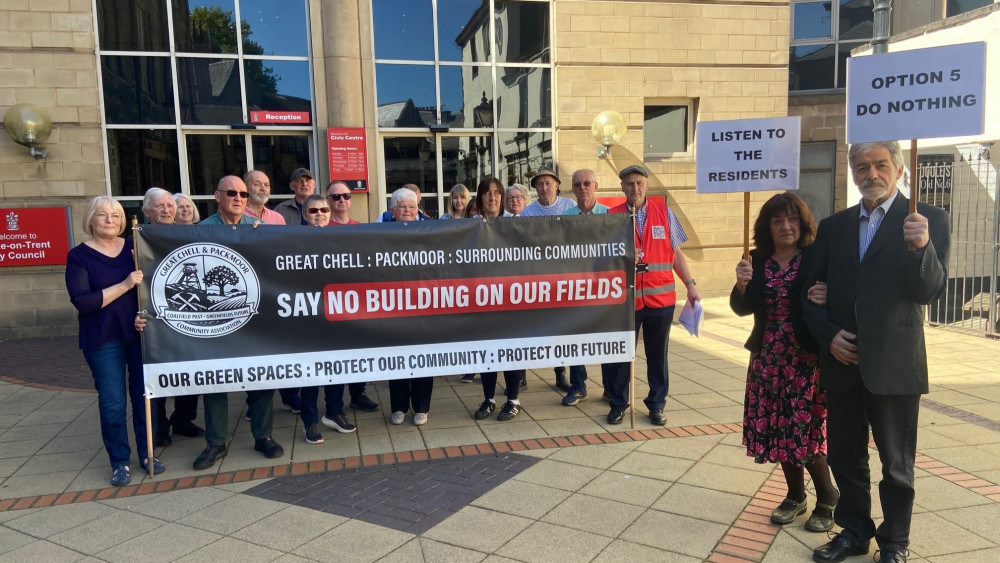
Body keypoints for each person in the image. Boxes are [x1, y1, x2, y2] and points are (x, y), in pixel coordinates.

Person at [804, 141, 950, 563]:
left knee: (896, 465)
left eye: (881, 165)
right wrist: (829, 335)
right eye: (862, 166)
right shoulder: (834, 227)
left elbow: (929, 292)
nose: (872, 174)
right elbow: (809, 295)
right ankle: (854, 531)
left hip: (895, 364)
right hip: (843, 361)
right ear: (853, 172)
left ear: (899, 170)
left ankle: (894, 542)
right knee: (845, 458)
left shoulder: (927, 219)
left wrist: (922, 249)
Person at [730, 193, 838, 534]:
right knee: (779, 430)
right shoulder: (756, 259)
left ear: (803, 223)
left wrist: (830, 295)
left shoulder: (815, 257)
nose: (786, 226)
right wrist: (741, 284)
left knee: (805, 431)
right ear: (767, 227)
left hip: (805, 359)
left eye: (792, 219)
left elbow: (835, 297)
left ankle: (827, 496)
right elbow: (742, 308)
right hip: (767, 359)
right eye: (777, 221)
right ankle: (795, 495)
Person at [66, 196, 163, 486]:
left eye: (116, 215)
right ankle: (120, 461)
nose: (110, 220)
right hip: (101, 337)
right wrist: (124, 284)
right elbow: (84, 301)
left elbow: (154, 286)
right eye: (103, 215)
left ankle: (147, 453)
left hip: (138, 333)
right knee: (113, 402)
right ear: (90, 220)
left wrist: (145, 314)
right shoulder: (79, 256)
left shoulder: (134, 247)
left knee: (145, 398)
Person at [188, 176, 282, 468]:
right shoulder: (201, 230)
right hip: (216, 320)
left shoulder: (259, 228)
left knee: (262, 378)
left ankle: (263, 436)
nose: (239, 198)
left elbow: (274, 264)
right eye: (231, 193)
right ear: (217, 196)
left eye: (243, 193)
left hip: (254, 315)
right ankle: (215, 443)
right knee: (215, 380)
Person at [604, 164, 700, 426]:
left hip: (661, 301)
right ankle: (618, 404)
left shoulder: (665, 213)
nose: (634, 188)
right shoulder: (612, 217)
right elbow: (602, 258)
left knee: (658, 357)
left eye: (639, 183)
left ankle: (657, 404)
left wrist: (690, 284)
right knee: (622, 356)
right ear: (622, 187)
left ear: (646, 185)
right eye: (629, 183)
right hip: (626, 301)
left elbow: (676, 253)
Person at [141, 188, 204, 449]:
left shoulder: (186, 235)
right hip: (155, 316)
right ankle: (159, 426)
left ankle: (183, 419)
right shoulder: (139, 237)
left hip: (187, 316)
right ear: (147, 211)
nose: (166, 210)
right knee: (157, 371)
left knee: (189, 369)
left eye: (170, 206)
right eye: (160, 206)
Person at [295, 194, 359, 443]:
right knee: (311, 372)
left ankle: (334, 412)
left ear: (329, 213)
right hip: (309, 315)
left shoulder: (340, 240)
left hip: (336, 313)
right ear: (304, 215)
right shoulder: (293, 241)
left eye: (323, 210)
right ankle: (310, 421)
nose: (319, 214)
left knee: (336, 366)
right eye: (313, 211)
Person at [470, 177, 527, 422]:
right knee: (487, 351)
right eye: (487, 192)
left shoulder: (515, 223)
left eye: (496, 192)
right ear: (480, 197)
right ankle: (489, 399)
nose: (492, 197)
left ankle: (513, 400)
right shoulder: (472, 225)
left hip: (510, 298)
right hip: (483, 298)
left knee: (510, 350)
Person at [325, 181, 380, 412]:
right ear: (328, 200)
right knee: (336, 353)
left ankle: (358, 394)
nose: (342, 200)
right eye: (336, 196)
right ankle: (334, 405)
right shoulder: (320, 227)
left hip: (357, 300)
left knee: (359, 349)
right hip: (330, 300)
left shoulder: (359, 228)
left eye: (346, 196)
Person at [556, 169, 609, 407]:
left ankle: (611, 387)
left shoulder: (610, 215)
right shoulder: (565, 218)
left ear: (596, 186)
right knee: (575, 338)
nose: (582, 188)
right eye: (577, 185)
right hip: (576, 288)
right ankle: (578, 386)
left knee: (607, 337)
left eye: (587, 183)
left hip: (604, 287)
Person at [385, 188, 435, 425]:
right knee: (396, 357)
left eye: (412, 207)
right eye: (402, 206)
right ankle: (399, 407)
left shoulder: (429, 232)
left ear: (418, 209)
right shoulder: (381, 234)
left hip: (422, 304)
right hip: (394, 307)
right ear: (392, 210)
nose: (407, 210)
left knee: (423, 356)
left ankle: (421, 407)